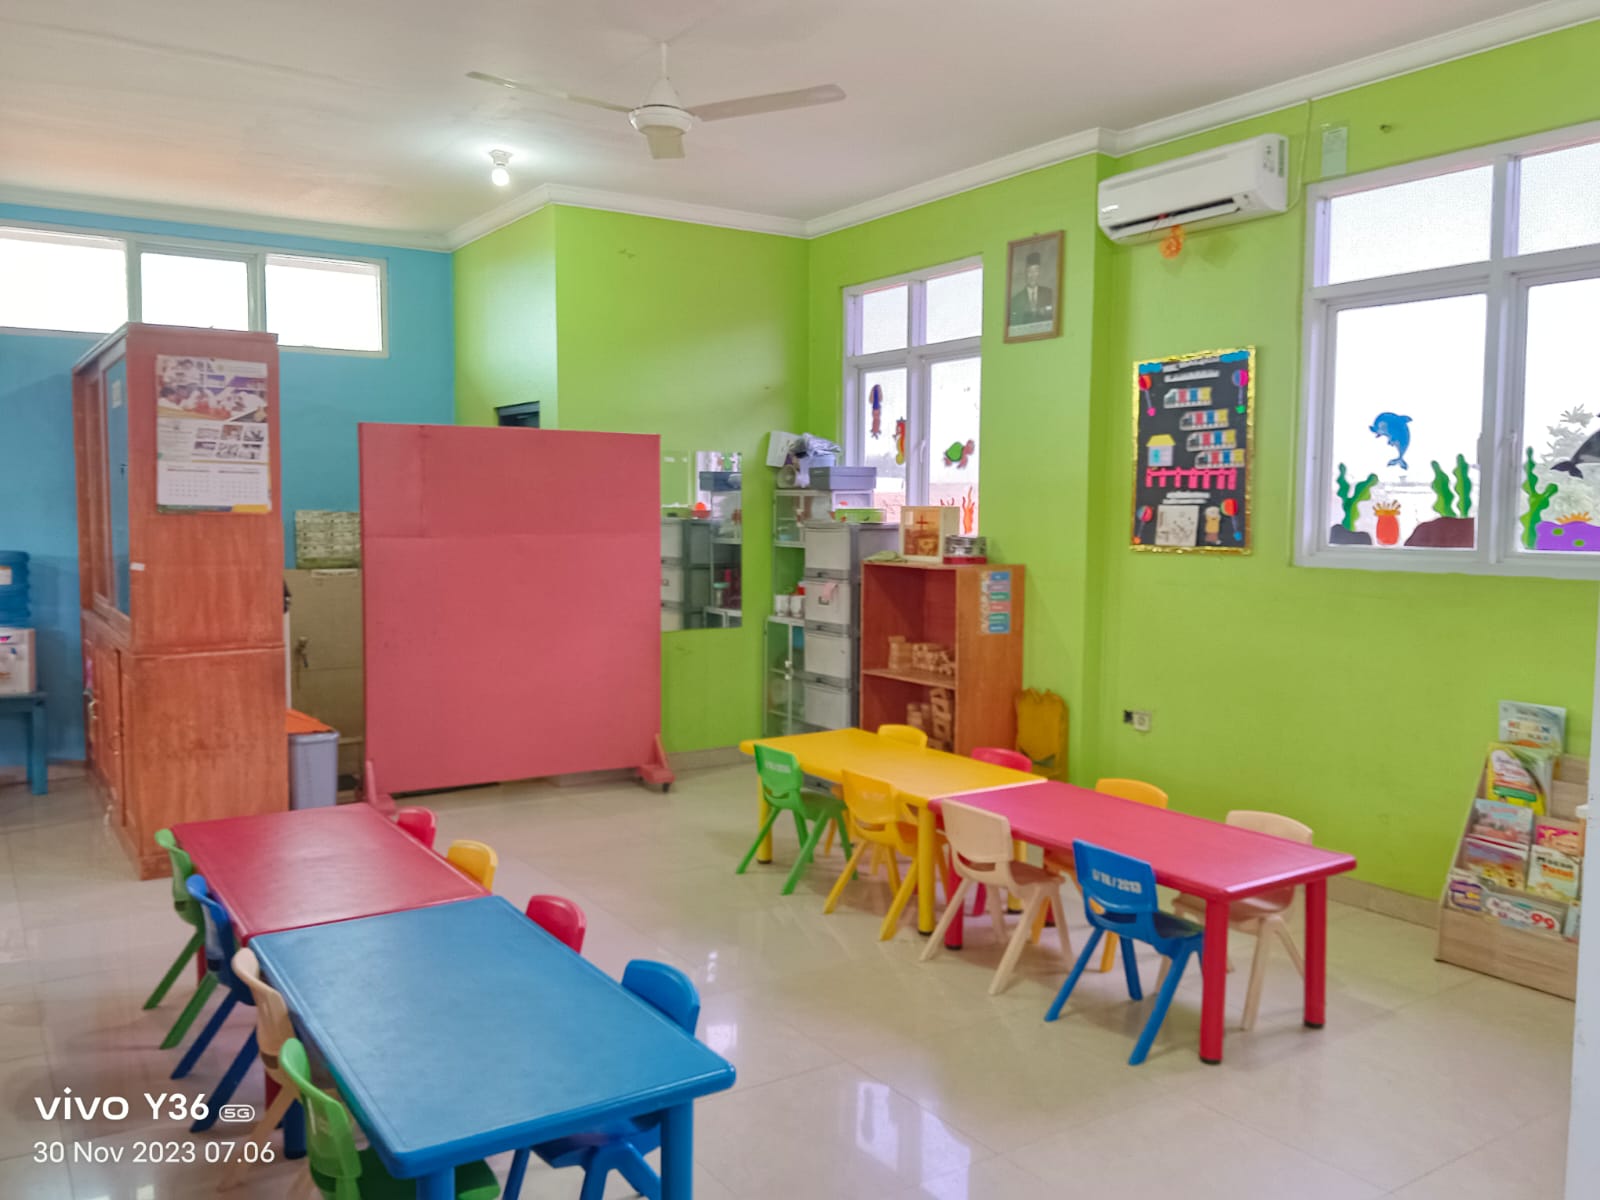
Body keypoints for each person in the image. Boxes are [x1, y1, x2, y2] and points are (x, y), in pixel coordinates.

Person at [1009, 251, 1054, 327]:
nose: (1033, 275)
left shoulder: (1048, 293)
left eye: (1036, 271)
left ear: (1039, 272)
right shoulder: (1016, 299)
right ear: (1025, 273)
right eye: (1030, 271)